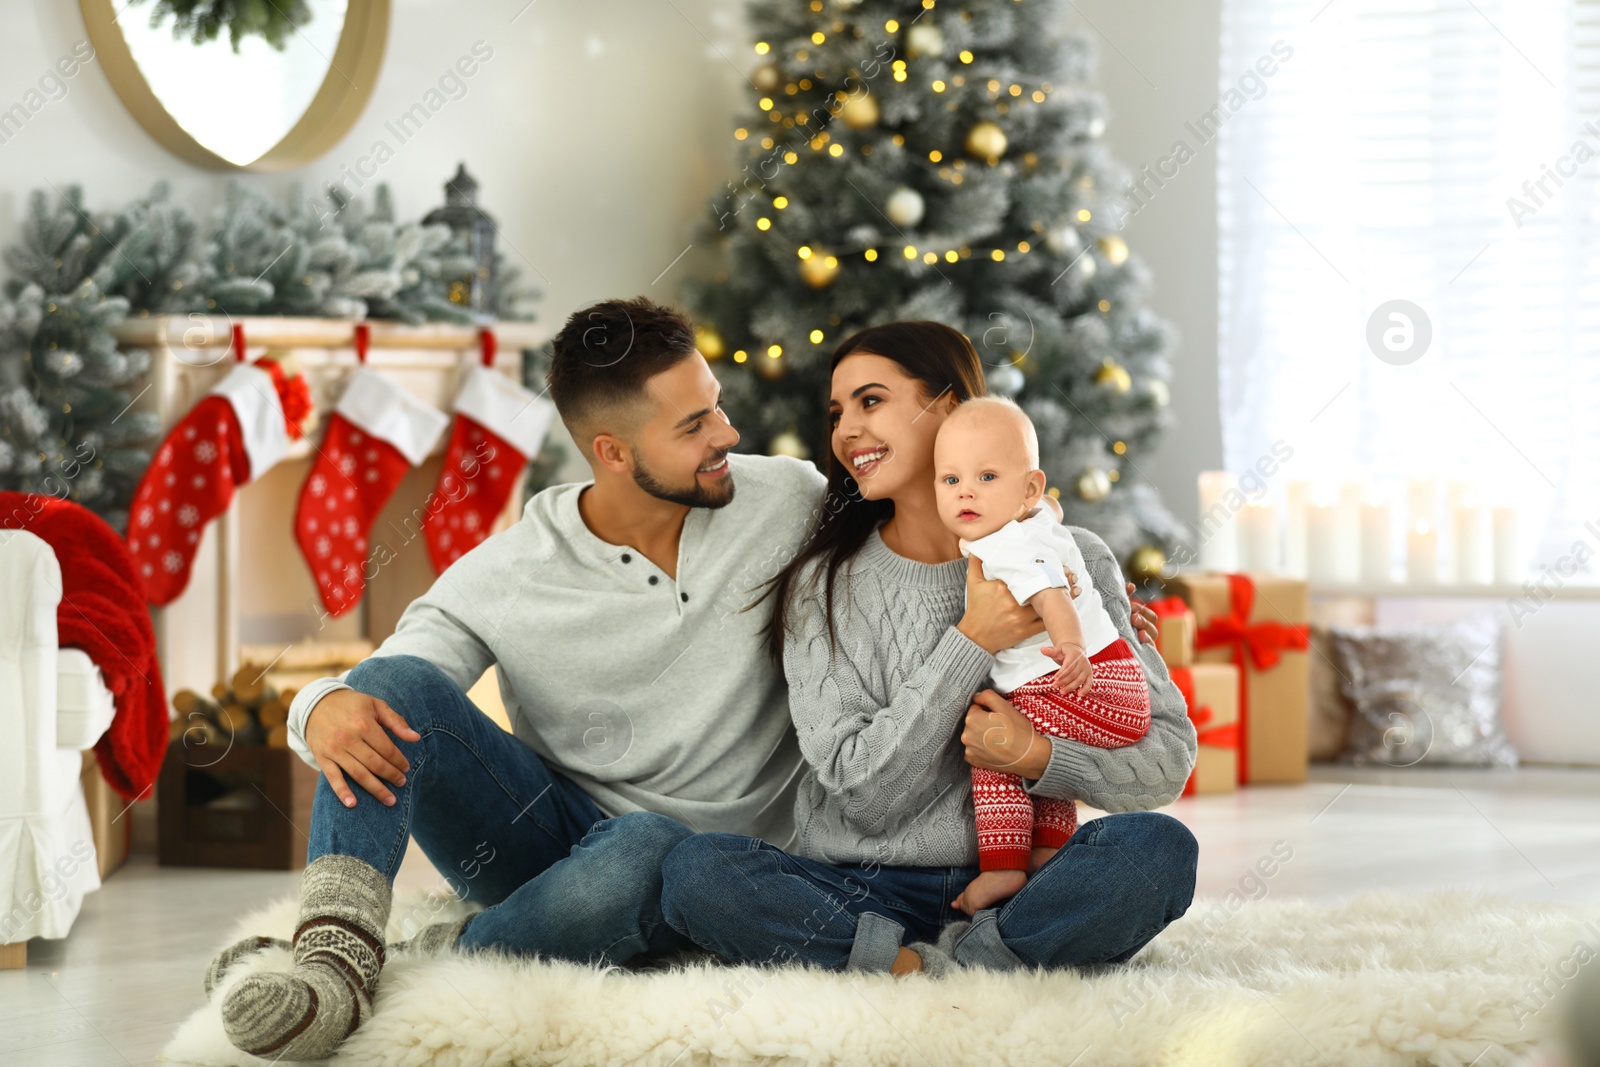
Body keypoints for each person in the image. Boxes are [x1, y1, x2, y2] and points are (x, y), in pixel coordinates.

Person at [208, 300, 1170, 1061]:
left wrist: (1057, 711)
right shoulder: (527, 567)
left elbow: (1150, 737)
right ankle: (332, 960)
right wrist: (313, 703)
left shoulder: (789, 504)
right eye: (696, 422)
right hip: (579, 845)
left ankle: (432, 959)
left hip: (732, 869)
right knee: (409, 702)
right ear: (613, 452)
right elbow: (394, 677)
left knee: (1152, 851)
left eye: (716, 401)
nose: (732, 430)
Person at [658, 321, 1198, 978]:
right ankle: (959, 962)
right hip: (858, 890)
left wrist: (1034, 755)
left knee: (1158, 850)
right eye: (837, 412)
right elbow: (864, 796)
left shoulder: (1073, 556)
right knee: (699, 873)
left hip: (1025, 884)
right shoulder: (824, 586)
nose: (846, 429)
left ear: (946, 406)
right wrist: (972, 640)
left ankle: (942, 961)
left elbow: (1166, 760)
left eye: (871, 400)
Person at [933, 396, 1153, 915]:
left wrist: (1073, 648)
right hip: (1113, 680)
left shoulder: (1003, 545)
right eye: (950, 480)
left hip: (1082, 679)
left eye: (986, 477)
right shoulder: (1038, 519)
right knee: (1039, 757)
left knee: (993, 739)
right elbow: (1051, 511)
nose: (965, 491)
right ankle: (1050, 854)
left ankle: (1005, 864)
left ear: (1027, 487)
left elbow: (1050, 591)